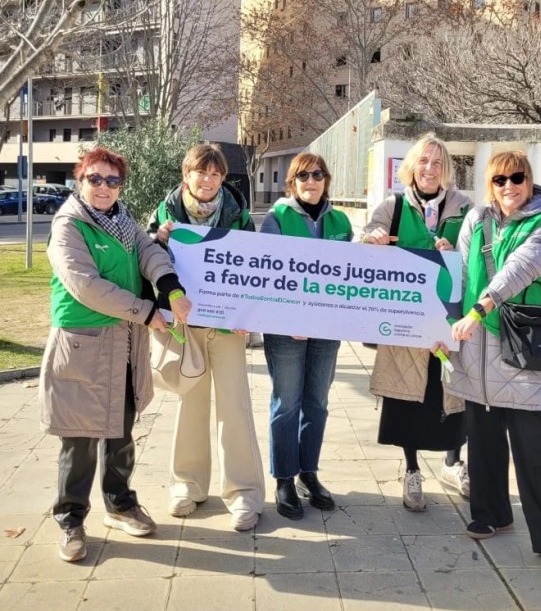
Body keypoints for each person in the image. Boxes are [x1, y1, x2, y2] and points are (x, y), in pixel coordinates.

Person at [39, 147, 191, 563]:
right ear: (80, 180)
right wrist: (146, 311)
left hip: (123, 344)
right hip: (83, 345)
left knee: (121, 432)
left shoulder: (123, 220)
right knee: (80, 439)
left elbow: (149, 252)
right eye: (95, 179)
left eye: (112, 180)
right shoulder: (69, 225)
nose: (104, 187)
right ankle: (70, 519)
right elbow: (86, 286)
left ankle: (120, 504)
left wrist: (170, 285)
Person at [441, 150, 541, 585]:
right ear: (490, 183)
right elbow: (460, 276)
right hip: (474, 352)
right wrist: (443, 328)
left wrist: (479, 310)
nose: (508, 187)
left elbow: (520, 270)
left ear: (530, 179)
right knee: (482, 442)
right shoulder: (476, 219)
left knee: (535, 452)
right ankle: (490, 514)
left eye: (517, 178)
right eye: (499, 180)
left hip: (523, 349)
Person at [148, 142, 265, 530]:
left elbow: (254, 267)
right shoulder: (165, 214)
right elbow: (145, 262)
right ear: (187, 174)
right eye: (202, 172)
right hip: (186, 328)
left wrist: (250, 312)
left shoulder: (237, 214)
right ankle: (187, 484)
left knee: (235, 407)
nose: (209, 179)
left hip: (229, 326)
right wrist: (159, 239)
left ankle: (244, 492)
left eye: (215, 173)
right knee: (191, 406)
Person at [362, 134, 472, 512]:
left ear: (446, 170)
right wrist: (372, 239)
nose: (429, 169)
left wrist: (456, 252)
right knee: (408, 396)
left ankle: (453, 464)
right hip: (405, 323)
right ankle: (411, 471)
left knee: (454, 393)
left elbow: (479, 258)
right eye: (423, 162)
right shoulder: (393, 206)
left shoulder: (464, 208)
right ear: (411, 166)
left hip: (450, 320)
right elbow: (364, 244)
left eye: (437, 163)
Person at [260, 153, 353, 519]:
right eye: (302, 177)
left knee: (317, 401)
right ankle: (283, 478)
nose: (310, 182)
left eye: (316, 175)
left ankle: (307, 473)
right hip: (287, 331)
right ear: (293, 183)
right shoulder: (277, 218)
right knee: (287, 402)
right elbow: (264, 273)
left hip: (327, 329)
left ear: (326, 179)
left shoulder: (341, 220)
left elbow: (353, 273)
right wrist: (286, 317)